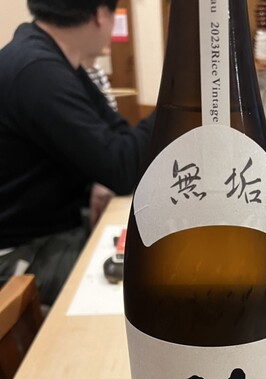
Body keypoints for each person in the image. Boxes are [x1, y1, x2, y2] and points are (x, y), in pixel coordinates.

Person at [0, 0, 155, 306]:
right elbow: (122, 167)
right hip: (22, 252)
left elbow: (116, 139)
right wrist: (175, 105)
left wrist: (100, 174)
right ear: (100, 15)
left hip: (54, 227)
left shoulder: (50, 57)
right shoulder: (38, 72)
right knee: (144, 286)